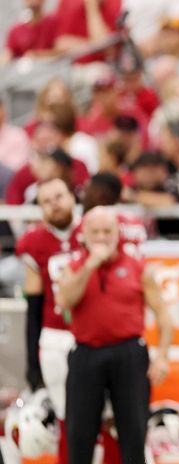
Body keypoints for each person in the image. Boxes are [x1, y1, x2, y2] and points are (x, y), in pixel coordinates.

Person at [55, 206, 172, 464]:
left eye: (107, 231)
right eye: (94, 231)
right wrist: (90, 265)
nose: (101, 237)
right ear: (83, 234)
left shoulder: (138, 268)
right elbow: (64, 300)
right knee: (79, 434)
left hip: (129, 353)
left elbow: (164, 316)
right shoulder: (73, 267)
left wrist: (162, 357)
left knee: (134, 432)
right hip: (86, 353)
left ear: (117, 234)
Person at [16, 179, 79, 463]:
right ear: (40, 209)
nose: (55, 204)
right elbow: (34, 304)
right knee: (67, 415)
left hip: (99, 335)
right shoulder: (32, 242)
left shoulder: (94, 229)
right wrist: (33, 360)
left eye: (59, 196)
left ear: (72, 196)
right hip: (56, 336)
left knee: (109, 414)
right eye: (47, 200)